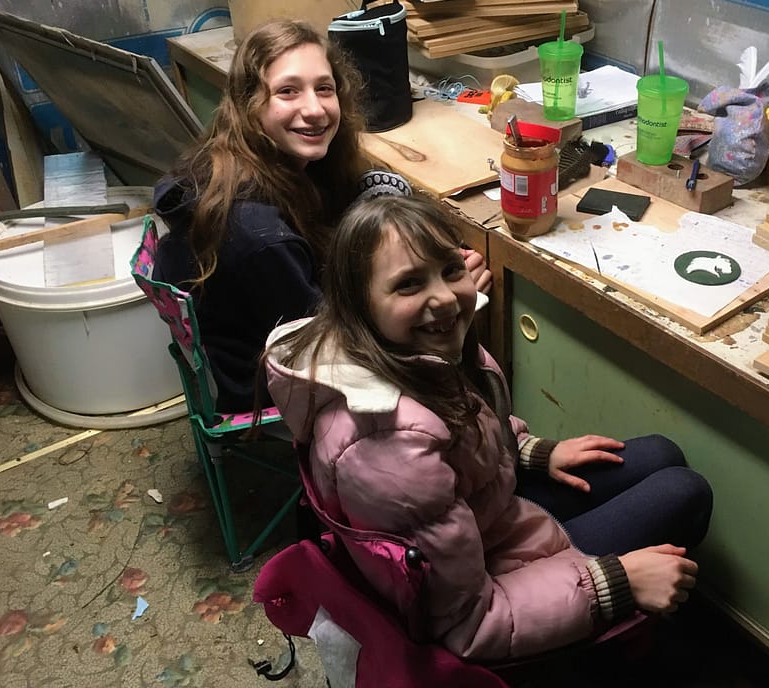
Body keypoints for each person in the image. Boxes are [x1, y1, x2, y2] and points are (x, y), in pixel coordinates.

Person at [263, 194, 712, 661]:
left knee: (661, 454)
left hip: (482, 518)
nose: (443, 297)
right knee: (685, 492)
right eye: (408, 284)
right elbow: (468, 627)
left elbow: (473, 429)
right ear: (360, 306)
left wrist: (531, 450)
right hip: (486, 597)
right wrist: (615, 582)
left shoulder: (416, 352)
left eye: (449, 271)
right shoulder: (386, 443)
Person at [151, 18, 490, 412]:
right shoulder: (259, 238)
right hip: (272, 386)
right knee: (445, 318)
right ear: (248, 104)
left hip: (258, 342)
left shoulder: (243, 162)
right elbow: (335, 347)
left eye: (324, 89)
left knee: (383, 192)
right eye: (288, 91)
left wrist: (424, 270)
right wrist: (446, 293)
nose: (314, 110)